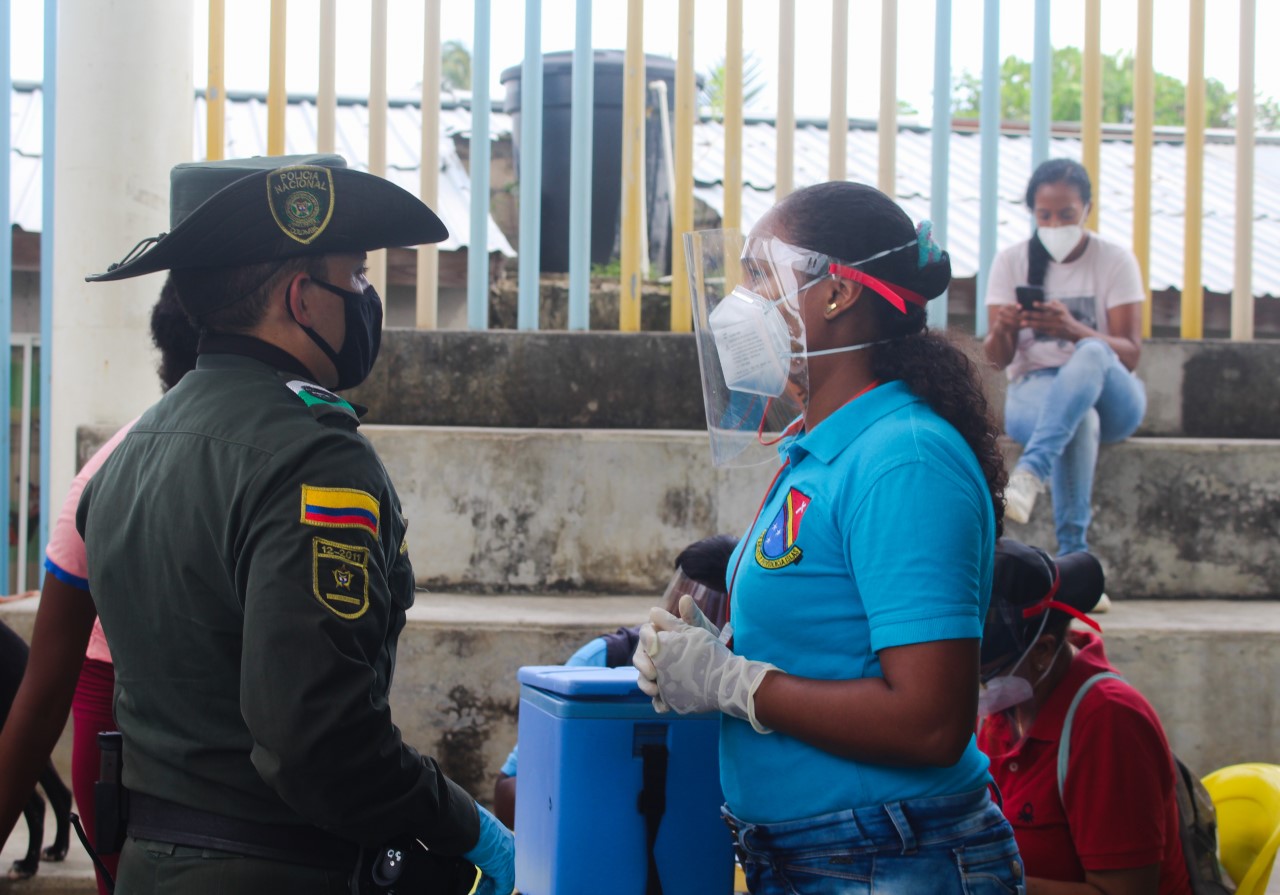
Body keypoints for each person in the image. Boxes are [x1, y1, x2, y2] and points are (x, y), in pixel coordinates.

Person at [67, 154, 513, 894]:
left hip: (149, 867)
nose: (367, 297)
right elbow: (322, 741)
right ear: (303, 300)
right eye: (358, 276)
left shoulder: (136, 449)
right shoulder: (313, 458)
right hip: (276, 871)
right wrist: (467, 826)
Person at [636, 181, 1022, 894]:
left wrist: (735, 683)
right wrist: (717, 658)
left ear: (837, 293)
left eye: (760, 274)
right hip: (821, 856)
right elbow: (829, 645)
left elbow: (931, 723)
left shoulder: (904, 458)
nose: (737, 303)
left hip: (890, 857)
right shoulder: (824, 449)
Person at [977, 539, 1192, 894]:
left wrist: (981, 883)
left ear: (1042, 651)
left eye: (986, 676)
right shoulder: (1006, 712)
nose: (978, 688)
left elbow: (1125, 892)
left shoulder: (1110, 722)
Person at [492, 534, 735, 828]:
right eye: (676, 608)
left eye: (705, 619)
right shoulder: (602, 660)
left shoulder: (745, 686)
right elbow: (509, 787)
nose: (682, 625)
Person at [984, 158, 1146, 556]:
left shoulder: (1115, 260)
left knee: (1092, 350)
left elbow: (1130, 354)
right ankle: (1076, 556)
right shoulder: (1011, 261)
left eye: (1067, 214)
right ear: (1033, 213)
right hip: (1036, 389)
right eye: (1045, 215)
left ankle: (1030, 471)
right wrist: (1004, 328)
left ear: (1087, 209)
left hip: (1112, 396)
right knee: (1079, 419)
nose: (1055, 224)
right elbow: (995, 361)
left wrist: (1074, 329)